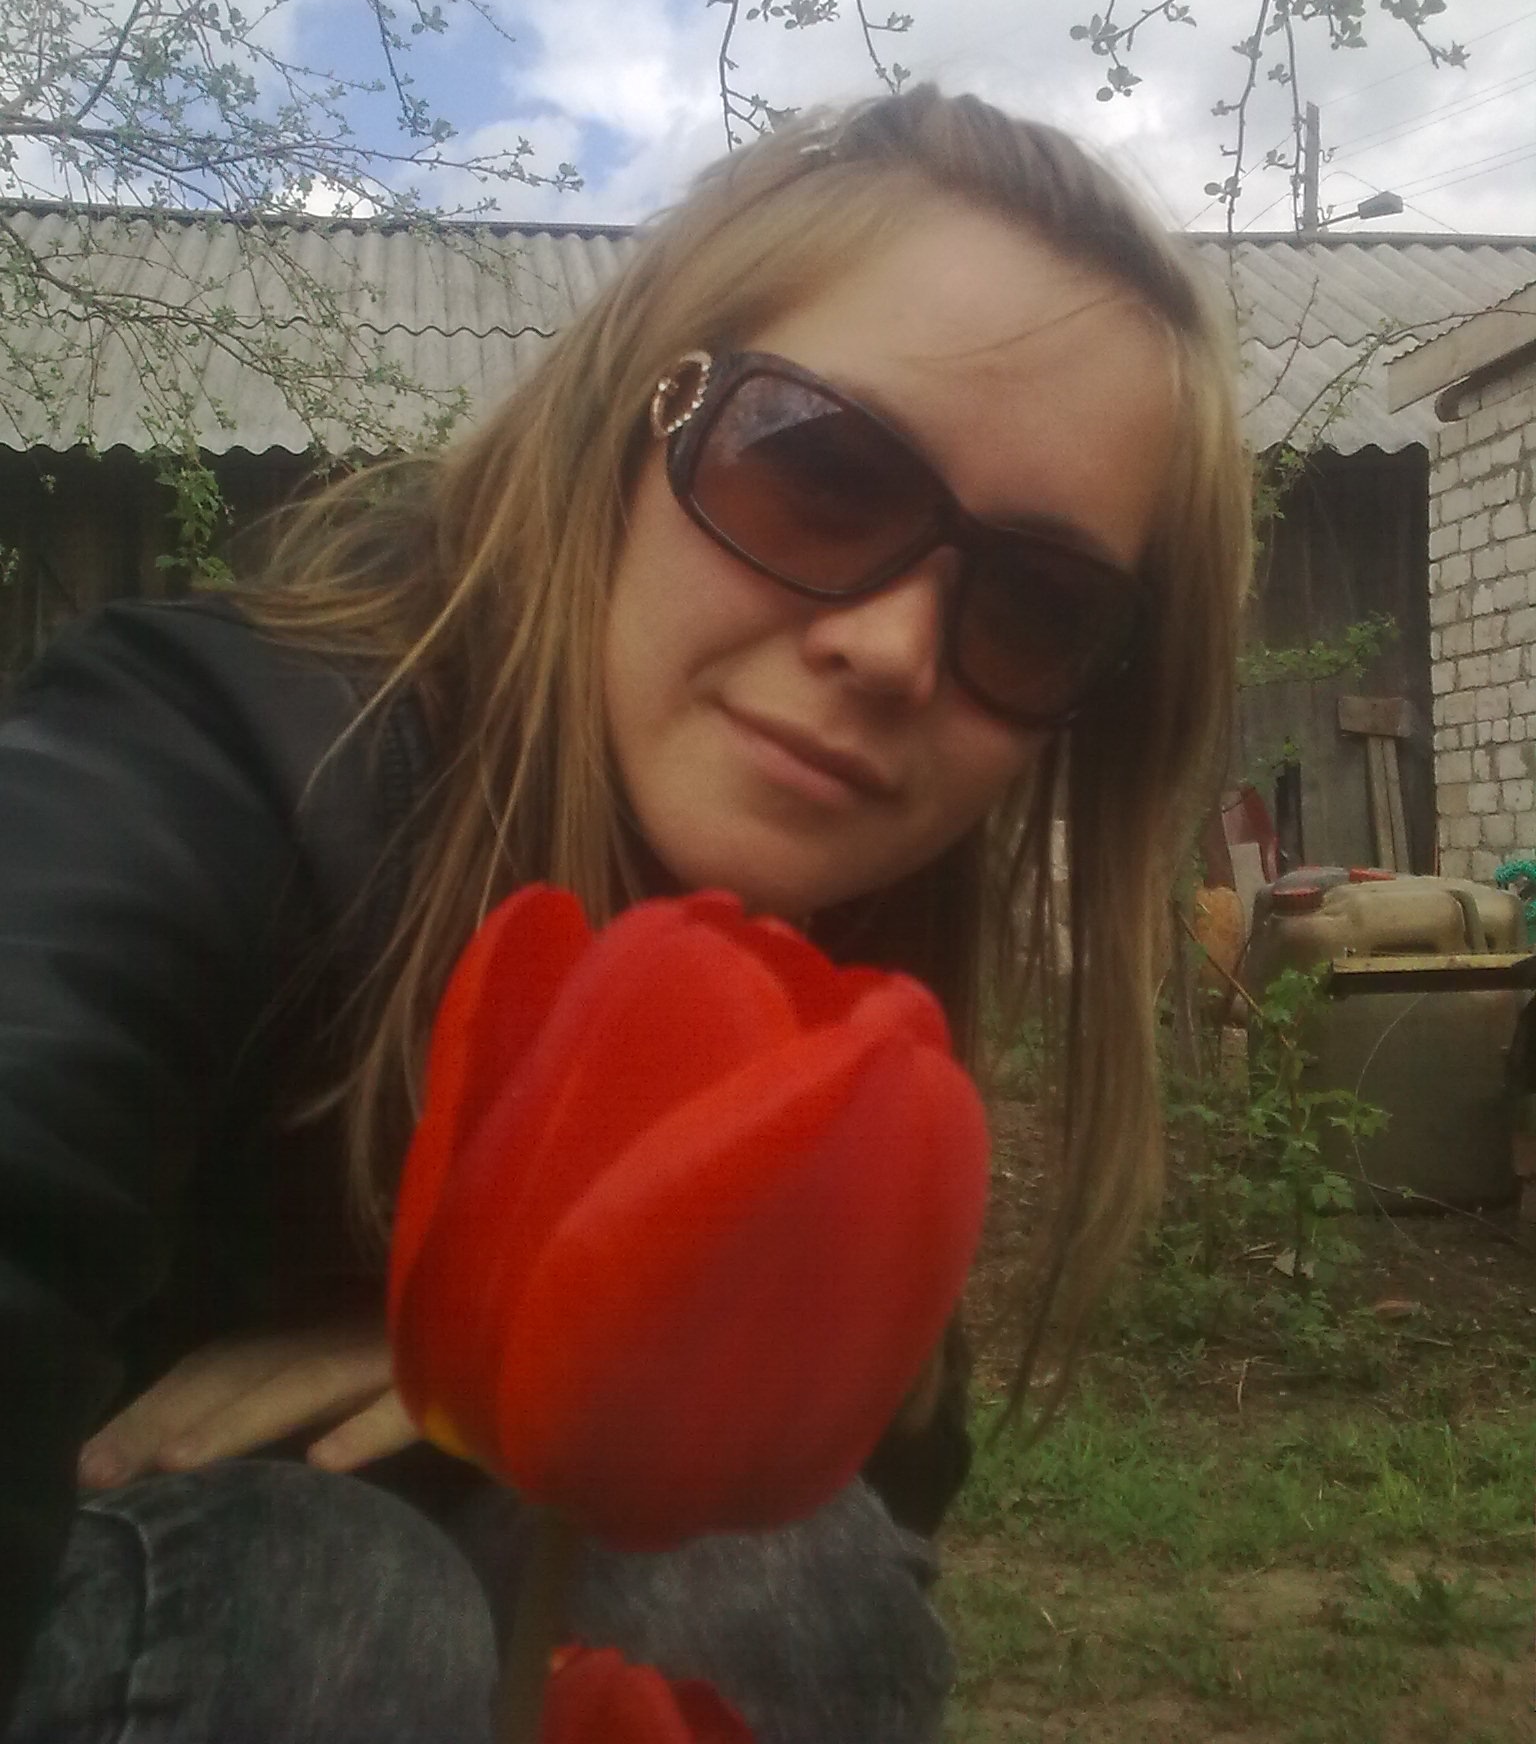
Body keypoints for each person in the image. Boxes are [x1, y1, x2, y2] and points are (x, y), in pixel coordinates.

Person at [0, 86, 1250, 1742]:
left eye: (1036, 606)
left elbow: (879, 1456)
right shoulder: (205, 761)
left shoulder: (842, 987)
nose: (892, 648)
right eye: (816, 469)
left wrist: (515, 1354)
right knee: (325, 1599)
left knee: (771, 1574)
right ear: (630, 417)